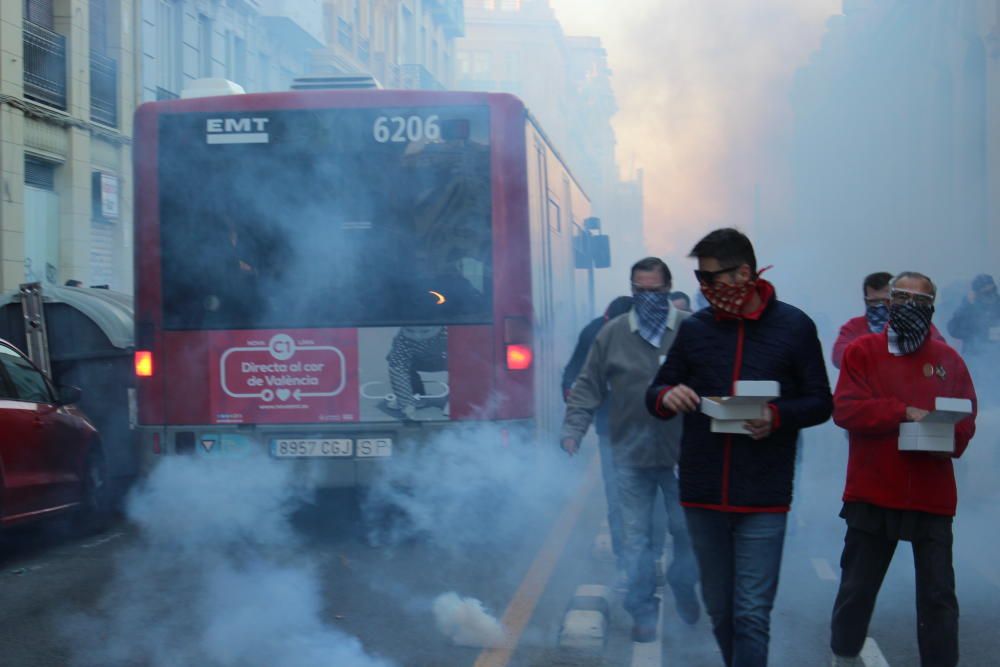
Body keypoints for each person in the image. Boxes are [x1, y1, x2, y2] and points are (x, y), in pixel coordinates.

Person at [646, 228, 832, 667]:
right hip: (702, 491)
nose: (707, 289)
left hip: (764, 494)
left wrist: (777, 416)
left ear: (744, 272)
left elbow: (822, 401)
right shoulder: (695, 329)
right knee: (721, 609)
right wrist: (667, 397)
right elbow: (656, 390)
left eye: (713, 278)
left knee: (751, 612)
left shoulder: (794, 326)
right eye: (701, 280)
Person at [829, 271, 977, 667]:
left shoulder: (949, 360)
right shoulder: (862, 350)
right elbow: (844, 408)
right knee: (858, 588)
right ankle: (843, 654)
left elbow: (966, 417)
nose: (911, 307)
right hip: (873, 489)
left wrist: (949, 442)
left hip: (931, 492)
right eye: (902, 298)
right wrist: (901, 413)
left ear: (932, 308)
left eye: (921, 301)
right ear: (889, 301)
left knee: (938, 596)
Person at [561, 257, 700, 643]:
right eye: (639, 291)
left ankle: (683, 581)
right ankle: (642, 609)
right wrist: (574, 429)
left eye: (655, 291)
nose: (647, 298)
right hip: (629, 455)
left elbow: (716, 381)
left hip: (683, 456)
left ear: (669, 290)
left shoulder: (694, 331)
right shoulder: (613, 333)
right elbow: (587, 384)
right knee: (635, 538)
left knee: (689, 532)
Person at [561, 295, 634, 585]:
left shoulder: (657, 335)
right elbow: (574, 377)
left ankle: (646, 556)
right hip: (610, 428)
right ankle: (624, 559)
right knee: (617, 495)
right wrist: (574, 425)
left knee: (649, 498)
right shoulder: (593, 332)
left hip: (653, 431)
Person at [833, 272, 944, 368]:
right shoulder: (854, 326)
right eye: (874, 302)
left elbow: (941, 352)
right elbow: (839, 357)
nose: (881, 307)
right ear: (866, 301)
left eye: (885, 300)